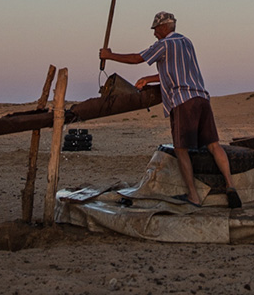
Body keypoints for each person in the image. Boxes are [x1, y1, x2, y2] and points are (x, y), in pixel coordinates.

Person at [99, 11, 241, 208]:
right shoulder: (187, 42)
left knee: (181, 149)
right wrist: (148, 79)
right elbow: (176, 71)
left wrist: (109, 55)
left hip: (183, 101)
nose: (154, 34)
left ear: (164, 27)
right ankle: (230, 185)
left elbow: (137, 58)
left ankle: (193, 196)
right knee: (214, 145)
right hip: (202, 98)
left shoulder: (165, 44)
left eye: (156, 30)